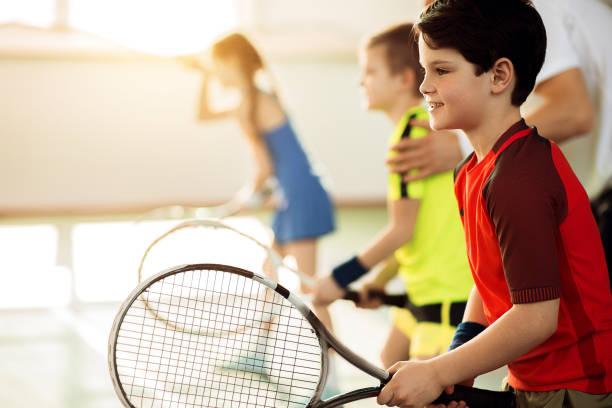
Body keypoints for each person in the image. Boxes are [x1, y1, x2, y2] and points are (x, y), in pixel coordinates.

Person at [375, 1, 612, 407]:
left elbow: (537, 317)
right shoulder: (471, 170)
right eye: (425, 69)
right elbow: (487, 283)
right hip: (533, 381)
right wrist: (456, 366)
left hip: (576, 387)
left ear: (499, 75)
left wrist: (437, 371)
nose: (424, 85)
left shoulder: (518, 179)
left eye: (442, 70)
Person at [388, 0, 612, 288]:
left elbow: (574, 112)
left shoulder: (522, 12)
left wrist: (462, 146)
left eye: (442, 70)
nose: (425, 86)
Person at [312, 23, 473, 367]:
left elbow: (400, 230)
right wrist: (380, 281)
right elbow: (416, 229)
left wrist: (338, 279)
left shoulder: (411, 135)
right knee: (389, 360)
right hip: (421, 291)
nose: (361, 81)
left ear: (402, 80)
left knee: (422, 392)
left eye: (370, 71)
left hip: (445, 298)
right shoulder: (426, 126)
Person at [182, 32, 336, 329]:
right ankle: (259, 353)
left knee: (310, 289)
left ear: (231, 62)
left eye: (215, 65)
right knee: (269, 274)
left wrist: (246, 198)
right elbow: (203, 114)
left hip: (301, 196)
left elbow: (263, 168)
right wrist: (204, 74)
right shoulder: (253, 99)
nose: (214, 71)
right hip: (294, 195)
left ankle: (332, 366)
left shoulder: (253, 103)